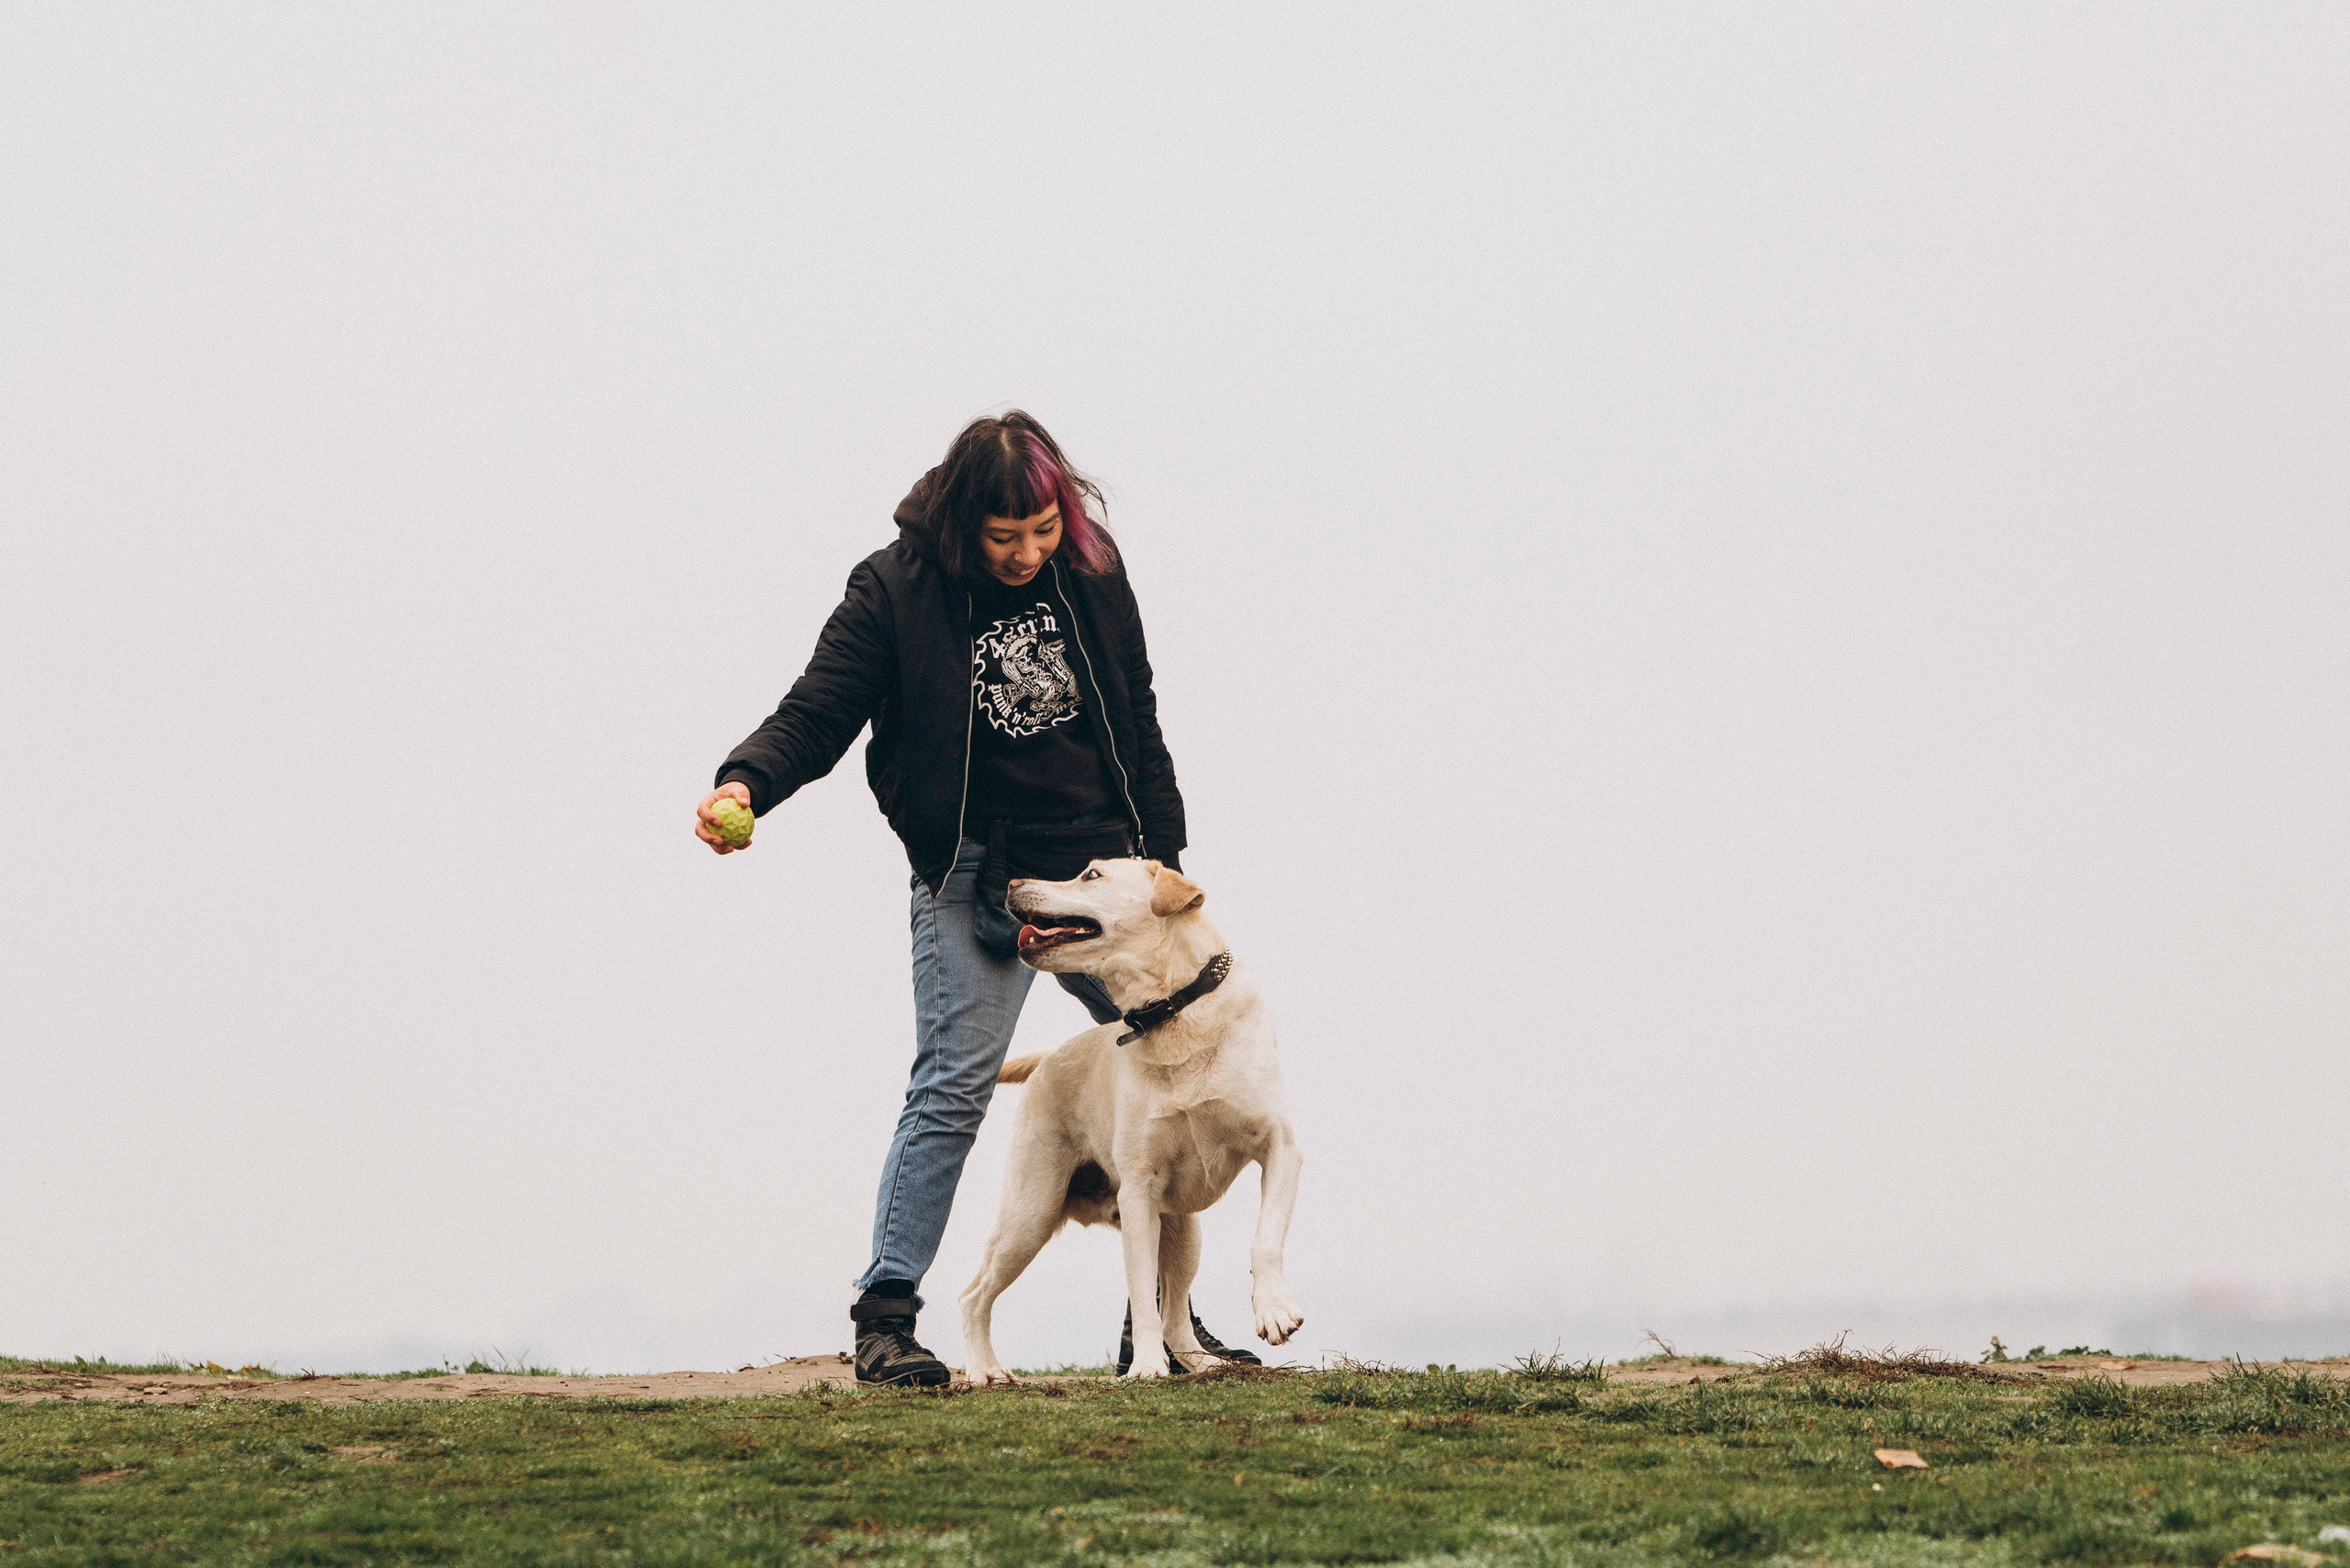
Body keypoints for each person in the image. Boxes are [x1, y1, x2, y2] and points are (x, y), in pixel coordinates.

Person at [696, 411, 1261, 1386]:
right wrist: (748, 780)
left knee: (1172, 1072)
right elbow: (820, 706)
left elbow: (1135, 705)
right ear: (965, 521)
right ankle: (886, 1317)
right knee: (953, 1085)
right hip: (972, 871)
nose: (1029, 551)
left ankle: (1165, 1323)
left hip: (1098, 881)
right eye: (1007, 537)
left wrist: (1159, 858)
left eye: (1042, 529)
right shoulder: (894, 589)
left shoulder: (1088, 564)